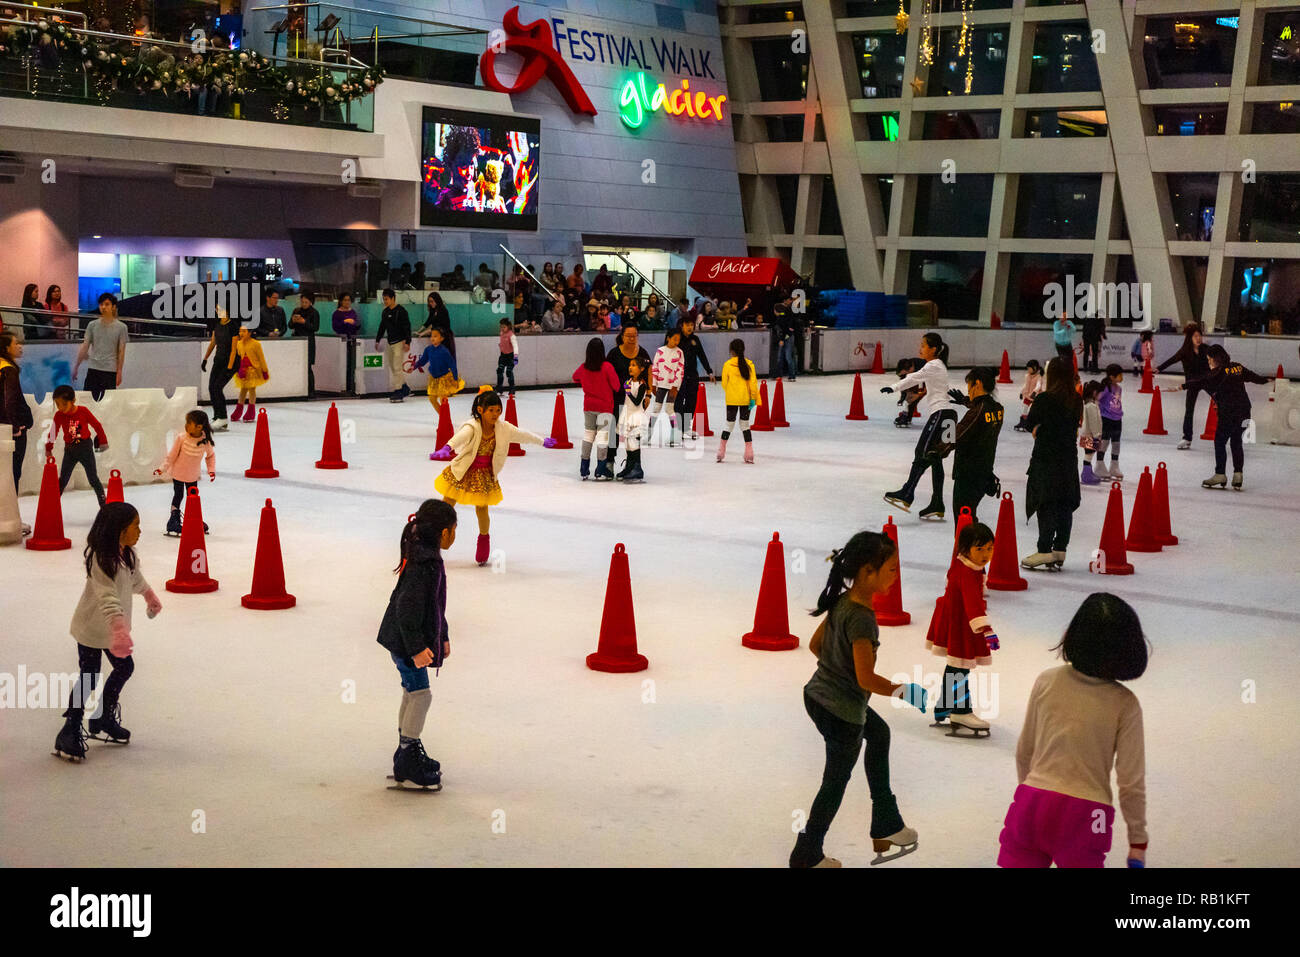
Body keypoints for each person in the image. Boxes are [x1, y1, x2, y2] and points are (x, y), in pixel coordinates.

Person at [790, 530, 927, 868]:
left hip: (817, 695)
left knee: (879, 734)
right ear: (868, 572)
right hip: (842, 711)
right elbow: (866, 678)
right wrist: (904, 691)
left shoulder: (842, 601)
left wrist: (837, 673)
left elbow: (816, 646)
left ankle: (886, 821)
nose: (897, 576)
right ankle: (807, 853)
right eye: (892, 569)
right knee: (835, 783)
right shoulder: (863, 619)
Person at [998, 593, 1148, 868]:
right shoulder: (1125, 704)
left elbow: (1024, 752)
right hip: (1089, 814)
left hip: (1032, 802)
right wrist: (1138, 841)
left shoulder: (1046, 681)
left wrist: (1029, 799)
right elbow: (1130, 782)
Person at [53, 502, 163, 762]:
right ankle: (69, 729)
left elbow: (135, 579)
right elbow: (107, 598)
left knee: (125, 668)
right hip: (92, 628)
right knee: (89, 676)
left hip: (115, 632)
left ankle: (103, 714)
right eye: (135, 526)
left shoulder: (127, 554)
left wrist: (149, 596)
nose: (140, 530)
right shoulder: (101, 560)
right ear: (119, 530)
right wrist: (119, 631)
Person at [375, 500, 456, 790]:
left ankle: (405, 750)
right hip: (405, 642)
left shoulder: (424, 554)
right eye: (454, 530)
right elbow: (406, 609)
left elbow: (435, 604)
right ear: (443, 532)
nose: (455, 535)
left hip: (404, 640)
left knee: (412, 691)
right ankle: (408, 755)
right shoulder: (425, 563)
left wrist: (442, 634)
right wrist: (416, 648)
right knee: (421, 695)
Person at [430, 388, 556, 565]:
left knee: (482, 509)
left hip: (484, 475)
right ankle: (432, 539)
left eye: (498, 410)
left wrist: (542, 441)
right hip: (462, 471)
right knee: (446, 505)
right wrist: (447, 448)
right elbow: (460, 437)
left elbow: (522, 435)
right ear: (480, 410)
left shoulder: (503, 428)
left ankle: (483, 541)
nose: (495, 414)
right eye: (491, 410)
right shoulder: (472, 426)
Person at [924, 522, 1000, 734]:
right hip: (961, 624)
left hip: (957, 620)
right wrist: (987, 630)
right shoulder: (967, 572)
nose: (986, 554)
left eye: (990, 548)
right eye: (980, 549)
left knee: (956, 665)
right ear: (965, 549)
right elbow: (972, 603)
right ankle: (960, 710)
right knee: (960, 666)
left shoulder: (967, 567)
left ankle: (945, 706)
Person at [881, 332, 954, 520]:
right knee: (935, 459)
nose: (919, 349)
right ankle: (937, 502)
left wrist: (894, 387)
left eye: (923, 345)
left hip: (940, 415)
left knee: (921, 452)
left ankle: (907, 492)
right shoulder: (939, 366)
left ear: (933, 349)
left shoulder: (934, 365)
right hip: (949, 417)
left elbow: (913, 377)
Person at [1179, 343, 1271, 490]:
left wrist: (1182, 386)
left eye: (1209, 359)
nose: (1208, 362)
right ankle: (1238, 474)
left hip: (1228, 413)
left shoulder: (1216, 373)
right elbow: (1254, 377)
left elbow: (1199, 381)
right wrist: (1266, 380)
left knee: (1219, 441)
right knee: (1236, 442)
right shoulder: (1237, 367)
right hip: (1245, 411)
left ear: (1215, 359)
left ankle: (1220, 473)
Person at [1021, 357, 1083, 570]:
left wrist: (1038, 429)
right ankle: (1060, 549)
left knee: (1046, 502)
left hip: (1046, 457)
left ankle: (1044, 550)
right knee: (1064, 503)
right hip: (1068, 458)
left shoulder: (1044, 399)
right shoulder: (1076, 399)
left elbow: (1029, 423)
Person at [933, 367, 1004, 524]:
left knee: (963, 519)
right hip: (984, 472)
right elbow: (980, 410)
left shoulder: (977, 412)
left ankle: (967, 547)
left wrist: (937, 451)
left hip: (968, 475)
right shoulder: (998, 409)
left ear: (977, 384)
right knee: (970, 514)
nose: (969, 391)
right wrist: (965, 400)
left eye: (969, 386)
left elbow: (956, 435)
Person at [153, 410, 216, 537]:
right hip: (178, 474)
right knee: (178, 495)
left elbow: (210, 456)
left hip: (192, 476)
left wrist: (211, 470)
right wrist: (162, 468)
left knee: (192, 498)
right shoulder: (182, 438)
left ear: (199, 427)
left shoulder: (205, 441)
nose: (186, 425)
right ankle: (173, 521)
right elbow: (171, 456)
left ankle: (193, 519)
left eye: (189, 423)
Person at [46, 385, 108, 507]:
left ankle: (104, 505)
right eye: (57, 404)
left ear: (73, 401)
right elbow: (53, 431)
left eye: (64, 404)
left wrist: (103, 441)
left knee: (93, 479)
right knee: (63, 479)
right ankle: (52, 507)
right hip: (70, 451)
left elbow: (97, 425)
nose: (61, 408)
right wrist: (48, 448)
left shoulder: (83, 411)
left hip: (85, 449)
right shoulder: (59, 415)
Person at [572, 337, 620, 481]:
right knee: (602, 438)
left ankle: (584, 467)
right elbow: (617, 386)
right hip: (605, 407)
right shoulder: (607, 367)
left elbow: (575, 377)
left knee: (588, 435)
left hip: (589, 406)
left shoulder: (584, 367)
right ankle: (600, 469)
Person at [1157, 322, 1209, 450]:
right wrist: (1159, 368)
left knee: (1221, 401)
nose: (1198, 339)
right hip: (1191, 384)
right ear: (1190, 338)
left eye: (1200, 336)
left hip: (1207, 380)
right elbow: (1172, 359)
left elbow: (1218, 358)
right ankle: (1187, 438)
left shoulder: (1206, 349)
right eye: (1195, 336)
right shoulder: (1185, 351)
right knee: (1189, 410)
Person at [0, 331, 34, 520]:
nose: (20, 346)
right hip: (12, 430)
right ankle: (11, 519)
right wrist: (15, 428)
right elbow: (9, 400)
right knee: (13, 474)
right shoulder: (8, 369)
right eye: (16, 343)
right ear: (6, 348)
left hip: (2, 428)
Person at [605, 322, 651, 456]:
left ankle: (633, 464)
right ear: (622, 336)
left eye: (634, 336)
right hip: (617, 399)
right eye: (628, 336)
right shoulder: (614, 354)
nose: (632, 339)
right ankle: (610, 461)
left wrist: (648, 395)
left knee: (633, 432)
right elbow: (606, 375)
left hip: (635, 402)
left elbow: (649, 373)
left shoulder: (642, 353)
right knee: (614, 430)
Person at [72, 293, 128, 401]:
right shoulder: (92, 325)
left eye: (107, 304)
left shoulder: (122, 327)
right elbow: (85, 346)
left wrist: (119, 371)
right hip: (94, 369)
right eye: (101, 304)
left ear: (113, 306)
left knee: (107, 403)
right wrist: (76, 366)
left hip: (110, 370)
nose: (103, 307)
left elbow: (121, 351)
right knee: (88, 401)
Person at [718, 338, 760, 464]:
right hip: (745, 400)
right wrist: (753, 398)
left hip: (731, 399)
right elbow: (753, 383)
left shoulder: (728, 365)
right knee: (745, 425)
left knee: (729, 425)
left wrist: (731, 391)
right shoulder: (749, 365)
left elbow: (724, 383)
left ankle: (721, 450)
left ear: (731, 351)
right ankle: (749, 452)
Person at [674, 317, 715, 440]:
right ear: (682, 326)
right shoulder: (676, 338)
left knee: (692, 400)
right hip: (678, 375)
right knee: (679, 401)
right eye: (687, 324)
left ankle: (686, 427)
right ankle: (679, 428)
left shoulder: (695, 339)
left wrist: (709, 371)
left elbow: (702, 355)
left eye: (692, 325)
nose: (690, 327)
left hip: (692, 374)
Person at [201, 308, 239, 430]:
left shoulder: (233, 325)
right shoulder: (217, 325)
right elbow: (213, 343)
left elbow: (234, 350)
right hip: (218, 360)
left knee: (217, 387)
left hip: (230, 362)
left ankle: (222, 417)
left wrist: (229, 368)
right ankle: (217, 416)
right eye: (216, 309)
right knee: (212, 388)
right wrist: (205, 359)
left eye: (220, 309)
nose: (217, 311)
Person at [412, 326, 463, 415]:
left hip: (443, 378)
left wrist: (455, 379)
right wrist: (413, 367)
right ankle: (443, 417)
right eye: (431, 336)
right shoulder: (428, 349)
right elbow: (423, 361)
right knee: (432, 398)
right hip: (433, 378)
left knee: (443, 399)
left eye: (435, 336)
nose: (432, 338)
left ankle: (445, 419)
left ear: (441, 338)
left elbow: (452, 365)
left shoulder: (444, 351)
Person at [649, 327, 686, 446]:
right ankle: (648, 435)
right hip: (661, 384)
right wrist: (654, 385)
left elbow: (680, 370)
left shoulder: (680, 352)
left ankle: (674, 436)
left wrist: (676, 386)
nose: (676, 342)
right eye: (674, 339)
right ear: (668, 338)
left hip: (673, 386)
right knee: (656, 408)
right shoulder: (660, 350)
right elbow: (655, 368)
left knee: (670, 409)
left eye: (678, 340)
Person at [375, 288, 413, 403]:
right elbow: (382, 326)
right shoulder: (385, 312)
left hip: (399, 342)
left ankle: (398, 390)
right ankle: (404, 387)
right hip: (390, 342)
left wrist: (408, 341)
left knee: (397, 367)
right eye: (384, 299)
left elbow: (407, 326)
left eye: (386, 299)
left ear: (393, 298)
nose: (385, 301)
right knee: (392, 366)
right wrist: (378, 340)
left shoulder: (401, 311)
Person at [616, 357, 650, 482]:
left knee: (634, 443)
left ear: (641, 369)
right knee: (628, 444)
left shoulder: (642, 385)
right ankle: (629, 467)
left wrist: (628, 392)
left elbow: (636, 402)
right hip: (627, 414)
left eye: (634, 365)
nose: (630, 367)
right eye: (630, 365)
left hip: (636, 417)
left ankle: (637, 469)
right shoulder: (629, 381)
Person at [228, 326, 269, 422]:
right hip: (242, 370)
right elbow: (237, 358)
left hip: (253, 370)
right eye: (240, 331)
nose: (241, 333)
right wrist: (238, 369)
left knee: (251, 389)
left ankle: (251, 411)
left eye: (244, 331)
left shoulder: (256, 344)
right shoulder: (238, 344)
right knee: (243, 390)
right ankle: (238, 410)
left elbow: (261, 358)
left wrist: (264, 370)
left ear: (249, 333)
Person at [1093, 363, 1125, 482]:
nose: (1122, 377)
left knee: (1116, 443)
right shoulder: (1106, 388)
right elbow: (1097, 399)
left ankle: (1114, 465)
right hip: (1106, 419)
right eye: (1119, 375)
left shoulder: (1119, 388)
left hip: (1117, 419)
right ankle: (1099, 465)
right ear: (1112, 377)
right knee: (1104, 442)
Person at [289, 292, 320, 398]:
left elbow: (315, 327)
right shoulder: (296, 311)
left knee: (307, 367)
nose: (303, 304)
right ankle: (297, 388)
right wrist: (293, 320)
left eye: (306, 302)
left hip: (308, 341)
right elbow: (290, 325)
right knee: (296, 366)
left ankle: (311, 391)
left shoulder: (314, 313)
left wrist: (304, 322)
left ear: (311, 302)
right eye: (302, 302)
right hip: (297, 340)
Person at [1079, 380, 1104, 485]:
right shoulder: (1091, 406)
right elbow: (1094, 422)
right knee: (1089, 455)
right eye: (1100, 393)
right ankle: (1086, 474)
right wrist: (1097, 436)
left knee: (1090, 454)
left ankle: (1088, 472)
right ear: (1095, 392)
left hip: (1087, 434)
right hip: (1091, 435)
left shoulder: (1088, 404)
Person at [417, 292, 455, 360]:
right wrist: (418, 331)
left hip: (445, 337)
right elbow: (428, 322)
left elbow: (439, 327)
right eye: (429, 302)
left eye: (432, 301)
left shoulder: (443, 311)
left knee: (445, 359)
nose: (430, 304)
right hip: (437, 337)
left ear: (437, 300)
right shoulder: (433, 310)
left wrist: (423, 333)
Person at [891, 357, 925, 428]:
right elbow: (903, 385)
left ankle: (907, 416)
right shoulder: (905, 371)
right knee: (910, 398)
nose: (907, 375)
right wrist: (902, 398)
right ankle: (907, 416)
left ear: (911, 368)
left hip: (930, 382)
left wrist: (919, 394)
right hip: (918, 382)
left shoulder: (923, 366)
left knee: (913, 398)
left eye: (907, 373)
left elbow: (929, 383)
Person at [1013, 359, 1043, 432]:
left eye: (1030, 368)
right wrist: (1021, 392)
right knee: (1024, 409)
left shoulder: (1039, 377)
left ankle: (1033, 423)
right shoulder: (1027, 376)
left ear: (1035, 368)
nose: (1028, 370)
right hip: (1027, 396)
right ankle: (1023, 422)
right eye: (1028, 369)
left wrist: (1034, 392)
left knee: (1034, 410)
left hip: (1035, 397)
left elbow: (1038, 386)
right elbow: (1025, 385)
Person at [773, 295, 798, 380]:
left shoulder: (785, 316)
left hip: (788, 337)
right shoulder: (781, 316)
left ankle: (792, 375)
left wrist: (782, 339)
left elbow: (786, 328)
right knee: (781, 357)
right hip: (785, 336)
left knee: (787, 356)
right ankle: (779, 375)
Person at [496, 318, 519, 396]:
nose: (502, 328)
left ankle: (512, 389)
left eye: (504, 327)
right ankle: (499, 389)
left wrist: (515, 357)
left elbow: (515, 346)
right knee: (499, 370)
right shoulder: (501, 333)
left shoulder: (512, 335)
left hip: (510, 356)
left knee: (509, 372)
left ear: (508, 327)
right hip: (503, 355)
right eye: (501, 327)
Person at [1081, 309, 1106, 374]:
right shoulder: (1100, 319)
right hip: (1094, 337)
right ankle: (1094, 368)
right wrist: (1103, 335)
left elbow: (1084, 327)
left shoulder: (1089, 317)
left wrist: (1083, 336)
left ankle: (1085, 367)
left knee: (1086, 352)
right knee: (1094, 353)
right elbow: (1102, 327)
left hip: (1087, 336)